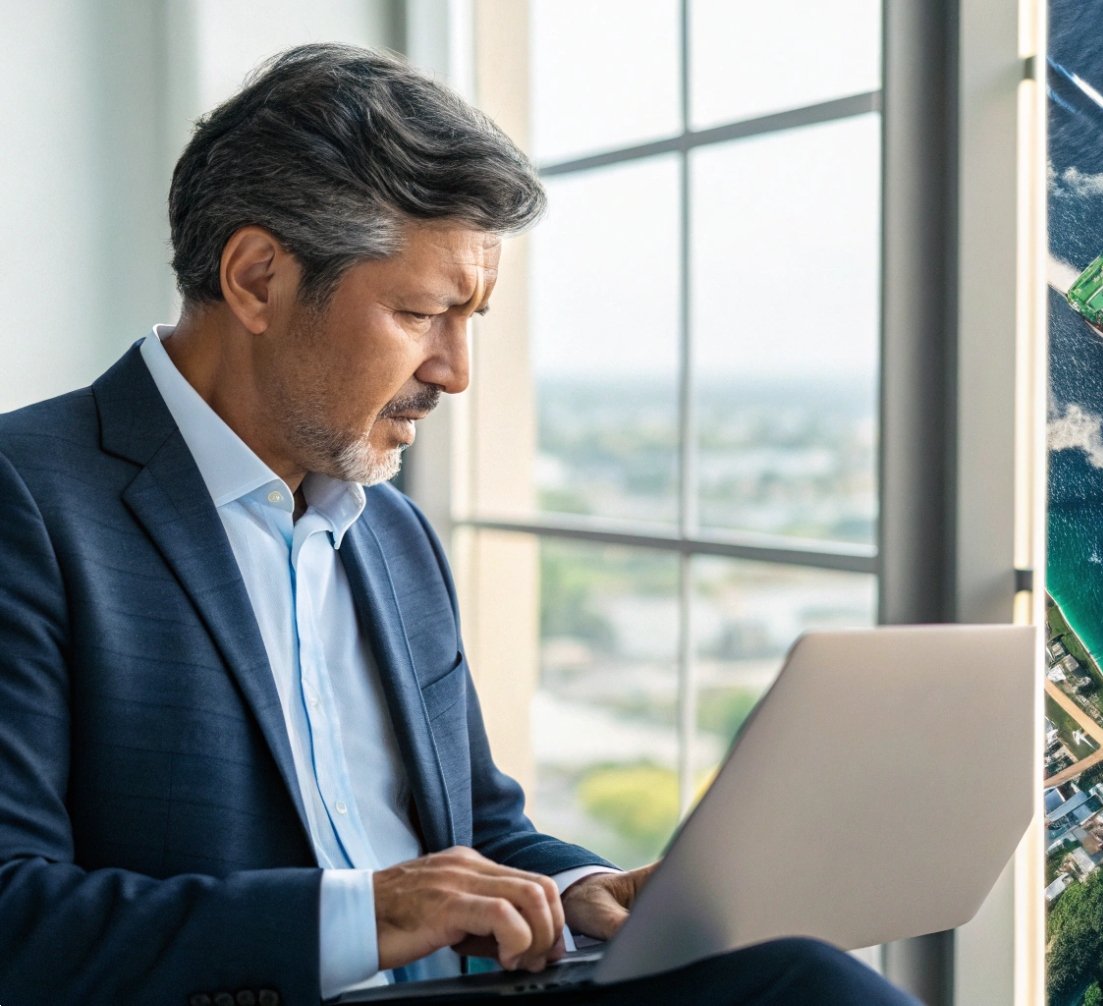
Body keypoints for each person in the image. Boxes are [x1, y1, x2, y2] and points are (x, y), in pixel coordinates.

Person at [0, 43, 918, 1006]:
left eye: (472, 317)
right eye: (421, 313)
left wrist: (580, 889)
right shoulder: (28, 502)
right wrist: (371, 913)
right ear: (259, 278)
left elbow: (471, 822)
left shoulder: (392, 533)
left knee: (811, 980)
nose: (455, 371)